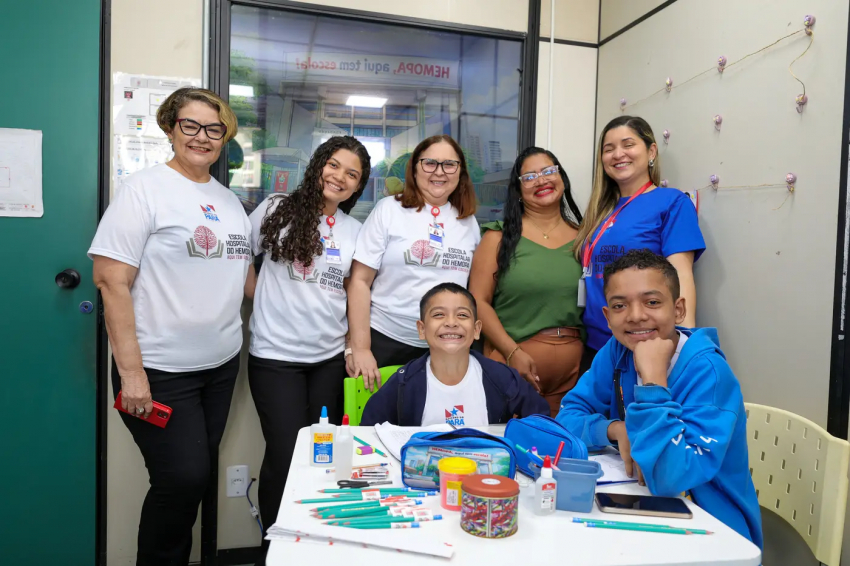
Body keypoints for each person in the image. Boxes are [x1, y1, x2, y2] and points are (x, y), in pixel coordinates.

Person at [89, 87, 250, 565]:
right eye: (191, 126)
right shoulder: (144, 190)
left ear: (225, 138)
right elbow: (110, 280)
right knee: (180, 479)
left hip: (220, 366)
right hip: (159, 370)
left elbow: (246, 280)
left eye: (214, 129)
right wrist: (132, 374)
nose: (202, 137)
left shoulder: (227, 201)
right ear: (169, 128)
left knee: (194, 480)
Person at [556, 249, 762, 549]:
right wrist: (615, 430)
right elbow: (568, 415)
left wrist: (653, 381)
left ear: (678, 310)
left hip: (711, 530)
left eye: (652, 302)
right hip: (641, 510)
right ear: (607, 316)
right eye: (619, 305)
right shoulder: (616, 351)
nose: (636, 315)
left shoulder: (710, 374)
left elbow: (671, 477)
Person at [244, 136, 370, 561]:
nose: (340, 177)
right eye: (334, 165)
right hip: (275, 359)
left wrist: (356, 345)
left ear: (358, 187)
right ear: (318, 165)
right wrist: (259, 294)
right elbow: (241, 256)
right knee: (283, 455)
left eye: (351, 174)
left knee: (322, 455)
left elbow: (356, 292)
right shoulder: (277, 209)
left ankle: (310, 546)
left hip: (328, 362)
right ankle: (274, 550)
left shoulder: (354, 231)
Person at [348, 135, 480, 389]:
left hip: (446, 346)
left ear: (460, 172)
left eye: (449, 164)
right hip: (386, 340)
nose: (439, 172)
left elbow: (473, 289)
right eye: (430, 163)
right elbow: (360, 282)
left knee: (436, 425)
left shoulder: (468, 222)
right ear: (415, 168)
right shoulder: (389, 210)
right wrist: (361, 348)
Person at [575, 116, 705, 372]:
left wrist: (684, 346)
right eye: (608, 149)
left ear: (651, 151)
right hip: (597, 346)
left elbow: (681, 276)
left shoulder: (672, 202)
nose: (618, 154)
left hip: (644, 344)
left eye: (628, 144)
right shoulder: (600, 211)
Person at [470, 147, 584, 416]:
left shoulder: (585, 238)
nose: (541, 180)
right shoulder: (497, 239)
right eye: (530, 176)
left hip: (573, 377)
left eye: (548, 171)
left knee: (558, 452)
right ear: (518, 190)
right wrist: (513, 354)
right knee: (509, 450)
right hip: (511, 369)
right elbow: (478, 301)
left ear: (562, 178)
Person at [360, 283, 549, 426]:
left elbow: (542, 420)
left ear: (476, 330)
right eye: (439, 315)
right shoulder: (403, 384)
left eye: (462, 315)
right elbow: (368, 431)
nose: (451, 322)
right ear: (422, 329)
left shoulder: (502, 378)